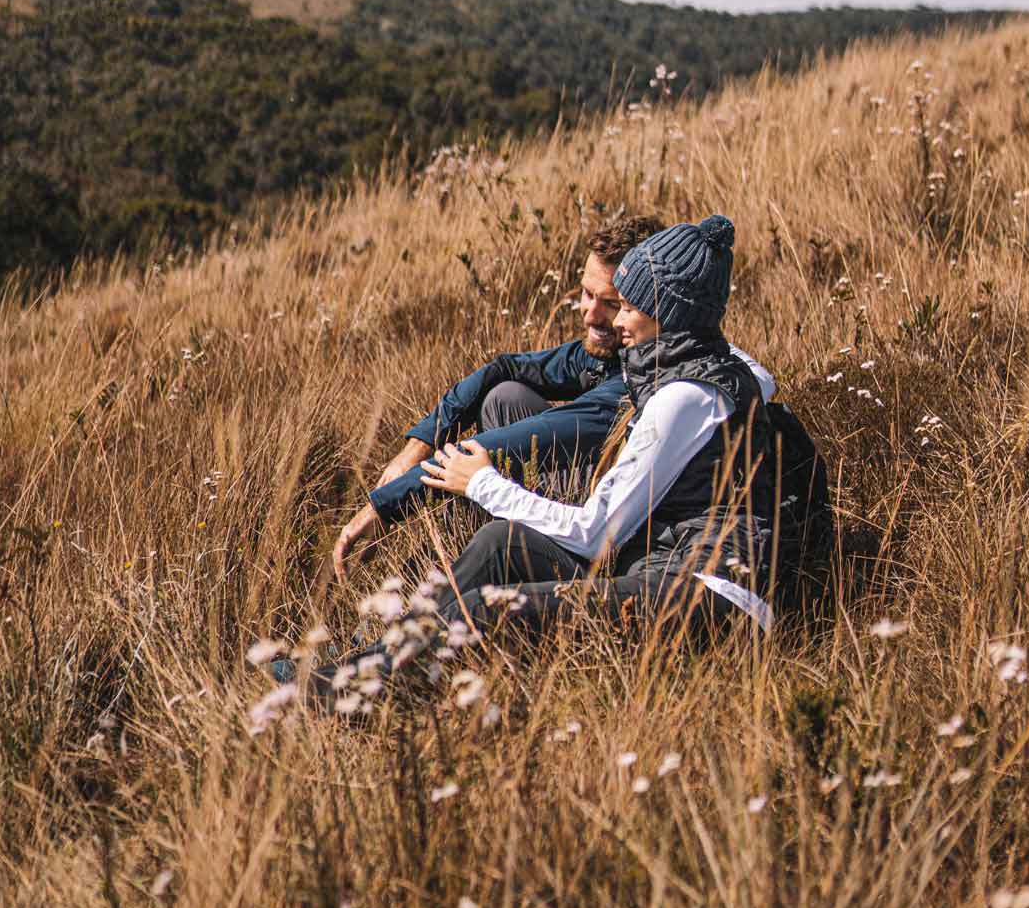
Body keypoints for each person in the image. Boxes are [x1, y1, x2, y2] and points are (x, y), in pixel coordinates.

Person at [310, 215, 798, 710]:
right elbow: (508, 371)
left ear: (668, 313)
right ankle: (358, 668)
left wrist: (482, 484)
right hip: (655, 574)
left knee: (484, 609)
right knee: (501, 542)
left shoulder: (682, 398)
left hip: (707, 601)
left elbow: (595, 535)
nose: (615, 320)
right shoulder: (695, 371)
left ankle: (335, 702)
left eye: (626, 306)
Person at [332, 214, 748, 578]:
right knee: (504, 395)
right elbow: (506, 367)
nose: (591, 314)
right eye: (587, 294)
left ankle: (443, 588)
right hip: (601, 517)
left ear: (652, 305)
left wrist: (392, 502)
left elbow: (517, 442)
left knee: (486, 489)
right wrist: (419, 445)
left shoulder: (655, 387)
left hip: (613, 539)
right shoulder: (626, 356)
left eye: (614, 303)